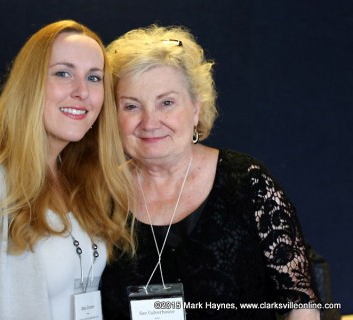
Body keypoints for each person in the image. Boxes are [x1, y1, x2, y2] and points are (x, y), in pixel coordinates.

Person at [100, 25, 321, 319]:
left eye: (167, 103)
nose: (149, 121)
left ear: (196, 109)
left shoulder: (247, 184)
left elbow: (300, 306)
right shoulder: (100, 194)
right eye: (131, 106)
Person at [0, 20, 134, 320]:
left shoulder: (75, 174)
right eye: (63, 73)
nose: (82, 92)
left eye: (94, 78)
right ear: (30, 83)